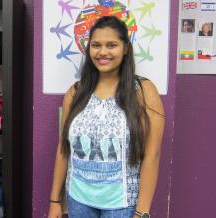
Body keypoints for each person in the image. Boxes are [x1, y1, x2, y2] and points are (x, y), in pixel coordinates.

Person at [48, 16, 165, 218]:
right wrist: (55, 201)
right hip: (78, 200)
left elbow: (151, 156)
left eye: (111, 45)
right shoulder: (75, 93)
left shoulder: (144, 91)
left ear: (125, 48)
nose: (102, 52)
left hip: (121, 206)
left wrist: (142, 212)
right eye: (96, 45)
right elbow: (63, 149)